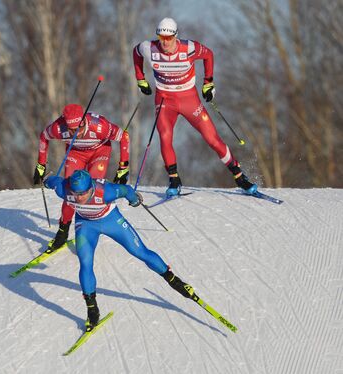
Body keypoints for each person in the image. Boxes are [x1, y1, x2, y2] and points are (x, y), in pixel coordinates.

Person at [44, 169, 195, 331]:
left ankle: (175, 281)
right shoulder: (63, 189)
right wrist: (46, 180)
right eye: (76, 193)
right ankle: (92, 309)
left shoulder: (106, 192)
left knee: (140, 252)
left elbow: (127, 190)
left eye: (83, 193)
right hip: (86, 225)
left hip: (111, 221)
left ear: (91, 188)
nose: (79, 198)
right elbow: (53, 180)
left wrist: (134, 200)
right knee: (85, 262)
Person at [133, 17, 257, 196]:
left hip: (189, 99)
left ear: (176, 36)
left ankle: (239, 176)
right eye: (161, 38)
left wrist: (208, 83)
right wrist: (140, 79)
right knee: (165, 136)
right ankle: (174, 180)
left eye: (168, 38)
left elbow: (209, 55)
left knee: (212, 139)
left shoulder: (189, 48)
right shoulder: (148, 48)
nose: (165, 42)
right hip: (164, 100)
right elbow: (136, 53)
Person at [33, 104, 130, 252]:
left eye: (79, 127)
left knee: (91, 191)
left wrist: (123, 167)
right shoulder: (58, 128)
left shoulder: (100, 126)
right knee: (72, 192)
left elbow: (124, 136)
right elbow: (43, 136)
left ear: (84, 120)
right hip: (75, 154)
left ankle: (90, 230)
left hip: (99, 152)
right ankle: (62, 232)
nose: (75, 133)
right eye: (71, 129)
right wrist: (41, 165)